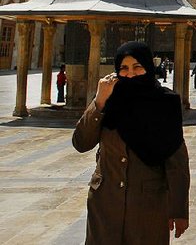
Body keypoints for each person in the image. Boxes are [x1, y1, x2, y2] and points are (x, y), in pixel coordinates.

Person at [72, 41, 189, 244]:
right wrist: (98, 101)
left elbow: (176, 161)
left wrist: (178, 209)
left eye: (138, 67)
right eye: (124, 69)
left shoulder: (165, 103)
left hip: (147, 207)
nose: (131, 74)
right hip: (105, 205)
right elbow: (81, 142)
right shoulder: (107, 101)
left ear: (148, 68)